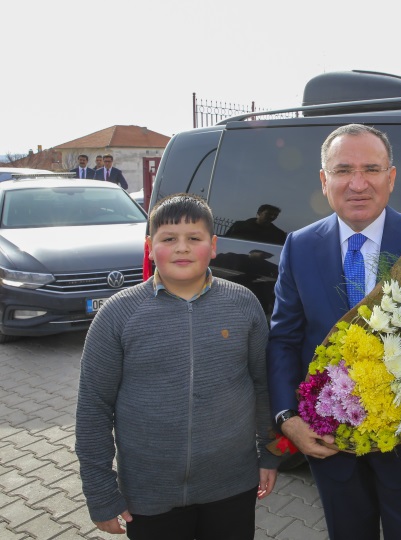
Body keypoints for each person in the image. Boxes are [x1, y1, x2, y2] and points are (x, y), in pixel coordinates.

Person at [267, 123, 401, 540]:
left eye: (371, 169)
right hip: (330, 443)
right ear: (324, 181)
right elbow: (284, 338)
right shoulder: (300, 246)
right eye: (343, 170)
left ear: (391, 178)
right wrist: (287, 418)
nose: (358, 184)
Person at [75, 193, 280, 539]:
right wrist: (100, 492)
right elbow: (94, 407)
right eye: (168, 239)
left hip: (232, 486)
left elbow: (262, 385)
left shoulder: (243, 304)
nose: (182, 248)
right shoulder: (118, 314)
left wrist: (270, 454)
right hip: (149, 495)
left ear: (213, 246)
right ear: (149, 247)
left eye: (194, 239)